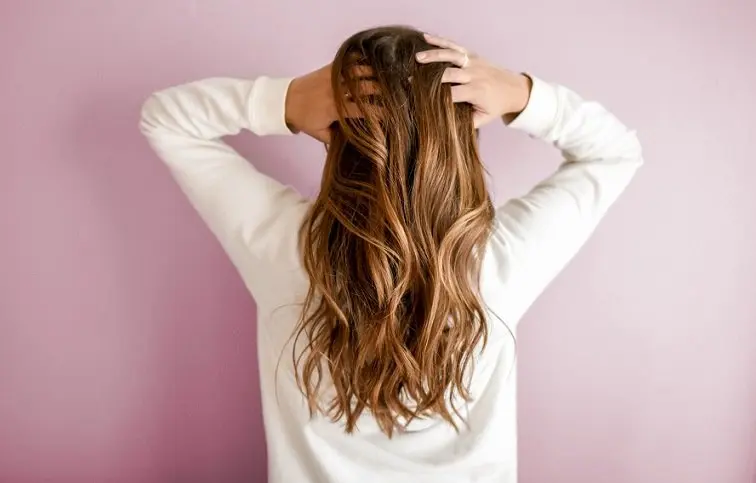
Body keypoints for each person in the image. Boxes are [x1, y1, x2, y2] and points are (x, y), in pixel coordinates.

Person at [140, 26, 642, 483]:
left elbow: (165, 119)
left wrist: (287, 100)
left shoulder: (286, 246)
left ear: (336, 130)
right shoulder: (500, 259)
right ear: (462, 137)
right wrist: (520, 95)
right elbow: (615, 152)